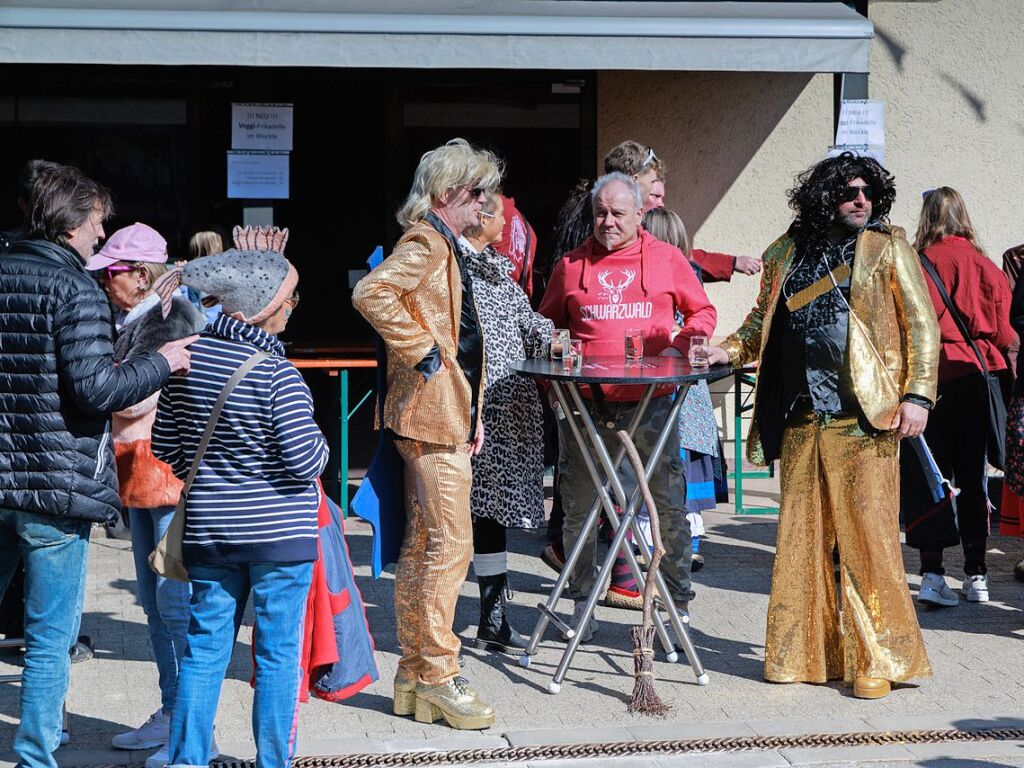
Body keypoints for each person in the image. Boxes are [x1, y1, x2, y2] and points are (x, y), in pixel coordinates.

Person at [705, 153, 938, 699]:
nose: (862, 200)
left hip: (867, 418)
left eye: (869, 191)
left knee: (869, 542)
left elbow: (921, 327)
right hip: (801, 417)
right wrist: (723, 353)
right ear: (824, 196)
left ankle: (877, 657)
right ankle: (801, 654)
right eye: (851, 191)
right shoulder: (784, 253)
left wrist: (918, 395)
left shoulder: (888, 248)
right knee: (800, 540)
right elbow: (760, 325)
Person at [0, 164, 195, 768]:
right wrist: (163, 361)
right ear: (69, 223)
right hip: (55, 487)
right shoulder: (74, 289)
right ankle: (35, 754)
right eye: (96, 222)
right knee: (50, 638)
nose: (98, 233)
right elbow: (97, 389)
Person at [151, 247, 328, 768]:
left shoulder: (187, 360)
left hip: (210, 532)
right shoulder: (279, 373)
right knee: (276, 657)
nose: (293, 306)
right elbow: (305, 462)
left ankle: (186, 760)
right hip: (279, 537)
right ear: (260, 308)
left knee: (204, 651)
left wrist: (214, 480)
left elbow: (167, 446)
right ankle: (273, 762)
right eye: (288, 299)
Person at [352, 138, 500, 730]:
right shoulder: (426, 240)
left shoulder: (445, 243)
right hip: (429, 417)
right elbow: (370, 292)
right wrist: (424, 354)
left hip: (442, 416)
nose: (486, 202)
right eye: (478, 191)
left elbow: (465, 337)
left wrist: (471, 410)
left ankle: (416, 674)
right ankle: (437, 675)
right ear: (449, 194)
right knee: (449, 546)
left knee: (424, 546)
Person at [538, 172, 716, 639]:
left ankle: (677, 605)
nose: (608, 222)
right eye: (600, 213)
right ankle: (582, 606)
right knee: (578, 508)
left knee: (667, 508)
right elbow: (545, 325)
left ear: (641, 214)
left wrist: (685, 343)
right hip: (584, 408)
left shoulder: (667, 259)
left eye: (618, 213)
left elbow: (702, 312)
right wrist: (557, 350)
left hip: (651, 405)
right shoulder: (570, 265)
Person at [82, 223, 206, 754]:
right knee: (157, 607)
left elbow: (133, 397)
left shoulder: (169, 314)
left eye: (111, 272)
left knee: (172, 603)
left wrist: (100, 384)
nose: (106, 283)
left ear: (138, 274)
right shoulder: (134, 316)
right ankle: (172, 708)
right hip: (139, 472)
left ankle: (185, 723)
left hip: (164, 472)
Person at [908, 188, 1013, 606]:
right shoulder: (986, 266)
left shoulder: (917, 265)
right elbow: (1006, 334)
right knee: (974, 479)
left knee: (931, 479)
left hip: (927, 381)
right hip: (975, 376)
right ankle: (977, 574)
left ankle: (933, 573)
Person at [459, 192, 552, 653]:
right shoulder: (453, 267)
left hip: (507, 415)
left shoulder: (497, 269)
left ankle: (492, 620)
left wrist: (559, 339)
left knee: (490, 517)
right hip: (470, 417)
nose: (510, 226)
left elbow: (530, 324)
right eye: (503, 217)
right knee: (465, 519)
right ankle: (436, 638)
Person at [643, 207, 721, 573]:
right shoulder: (689, 270)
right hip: (691, 387)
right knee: (684, 463)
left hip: (675, 385)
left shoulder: (671, 274)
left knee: (673, 461)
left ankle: (674, 543)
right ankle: (690, 541)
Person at [495, 194, 538, 300]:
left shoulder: (486, 212)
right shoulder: (530, 232)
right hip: (512, 307)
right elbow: (527, 289)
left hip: (481, 304)